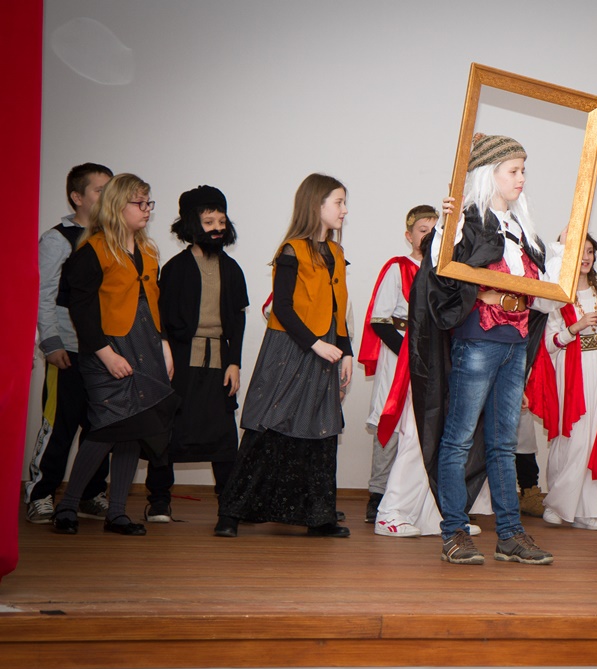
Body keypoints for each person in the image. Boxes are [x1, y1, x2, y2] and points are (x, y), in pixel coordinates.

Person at [411, 133, 564, 565]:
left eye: (523, 170)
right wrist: (449, 225)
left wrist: (563, 251)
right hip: (478, 338)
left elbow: (544, 296)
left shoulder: (520, 228)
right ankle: (454, 533)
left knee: (502, 443)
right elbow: (442, 272)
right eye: (513, 170)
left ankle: (510, 535)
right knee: (459, 439)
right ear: (488, 174)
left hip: (515, 341)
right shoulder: (467, 221)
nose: (521, 178)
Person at [214, 173, 352, 539]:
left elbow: (338, 307)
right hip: (291, 349)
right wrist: (316, 344)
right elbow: (284, 309)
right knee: (268, 428)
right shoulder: (292, 250)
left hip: (325, 349)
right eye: (338, 202)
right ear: (316, 205)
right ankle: (230, 513)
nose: (344, 210)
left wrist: (346, 352)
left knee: (320, 430)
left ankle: (318, 517)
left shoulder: (336, 253)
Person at [53, 173, 179, 536]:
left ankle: (118, 513)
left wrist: (164, 344)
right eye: (139, 203)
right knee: (106, 427)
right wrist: (106, 354)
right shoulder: (91, 251)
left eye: (149, 202)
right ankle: (67, 506)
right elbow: (82, 312)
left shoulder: (149, 251)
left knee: (133, 429)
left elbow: (154, 303)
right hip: (106, 350)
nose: (147, 209)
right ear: (116, 206)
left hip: (145, 348)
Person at [144, 186, 248, 522]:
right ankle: (159, 500)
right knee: (169, 428)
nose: (217, 228)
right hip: (179, 359)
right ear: (192, 225)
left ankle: (228, 504)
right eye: (209, 222)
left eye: (221, 221)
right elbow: (160, 319)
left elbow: (237, 320)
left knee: (223, 432)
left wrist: (235, 362)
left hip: (219, 359)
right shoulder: (175, 268)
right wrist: (164, 357)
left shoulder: (232, 269)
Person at [26, 163, 113, 524]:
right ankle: (40, 493)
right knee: (59, 425)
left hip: (104, 353)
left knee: (100, 426)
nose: (107, 196)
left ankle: (90, 493)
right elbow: (42, 296)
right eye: (99, 190)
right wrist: (51, 343)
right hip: (67, 350)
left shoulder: (114, 237)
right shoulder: (57, 239)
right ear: (77, 197)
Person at [358, 204, 437, 525]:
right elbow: (380, 320)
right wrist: (409, 352)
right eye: (422, 230)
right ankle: (378, 494)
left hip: (431, 357)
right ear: (409, 235)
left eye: (434, 231)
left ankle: (415, 496)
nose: (428, 236)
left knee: (422, 423)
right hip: (399, 354)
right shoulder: (397, 267)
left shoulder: (444, 271)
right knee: (389, 418)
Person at [539, 234, 597, 530]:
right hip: (571, 370)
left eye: (590, 251)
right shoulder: (556, 295)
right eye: (580, 251)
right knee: (573, 436)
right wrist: (575, 328)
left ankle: (588, 509)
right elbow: (548, 344)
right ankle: (557, 504)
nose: (585, 257)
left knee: (596, 435)